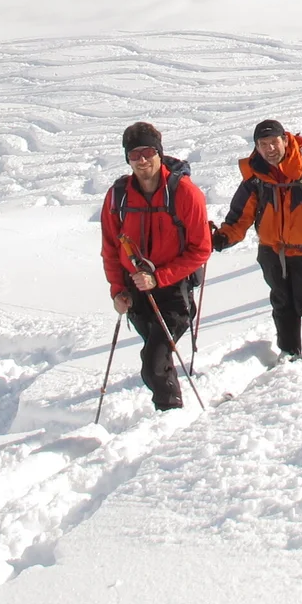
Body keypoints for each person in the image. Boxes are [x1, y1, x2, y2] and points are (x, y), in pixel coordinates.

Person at [210, 119, 302, 361]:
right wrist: (225, 236)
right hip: (271, 250)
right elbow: (241, 214)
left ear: (285, 140)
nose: (269, 149)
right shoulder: (256, 176)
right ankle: (289, 350)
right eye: (263, 144)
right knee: (282, 301)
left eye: (273, 142)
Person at [99, 121, 212, 410]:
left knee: (153, 364)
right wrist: (117, 291)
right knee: (158, 356)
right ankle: (174, 408)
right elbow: (111, 249)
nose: (142, 160)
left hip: (174, 292)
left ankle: (170, 413)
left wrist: (159, 278)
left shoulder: (186, 194)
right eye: (134, 154)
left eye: (147, 151)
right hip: (136, 292)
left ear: (159, 153)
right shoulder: (117, 197)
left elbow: (201, 249)